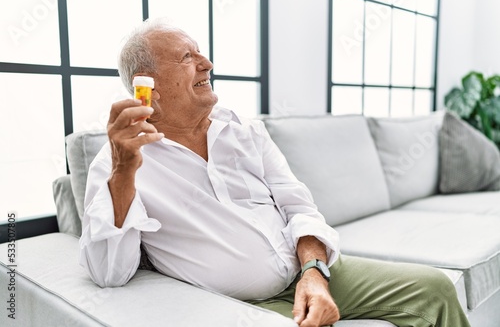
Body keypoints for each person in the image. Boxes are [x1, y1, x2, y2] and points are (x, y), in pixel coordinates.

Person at [79, 18, 470, 327]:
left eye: (201, 53)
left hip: (308, 267)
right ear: (149, 87)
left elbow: (297, 203)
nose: (207, 64)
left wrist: (314, 272)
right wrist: (124, 170)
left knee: (433, 289)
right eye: (187, 57)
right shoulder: (117, 163)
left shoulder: (243, 130)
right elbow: (109, 272)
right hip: (241, 304)